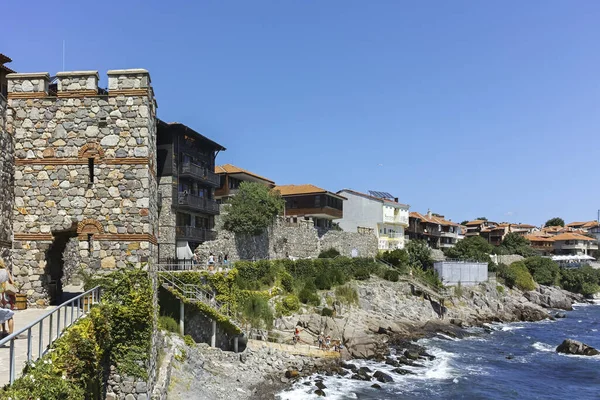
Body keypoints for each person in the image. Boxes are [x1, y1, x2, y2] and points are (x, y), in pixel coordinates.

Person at [0, 262, 16, 339]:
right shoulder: (6, 271)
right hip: (6, 296)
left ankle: (3, 331)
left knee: (1, 315)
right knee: (9, 315)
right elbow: (12, 282)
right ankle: (11, 334)